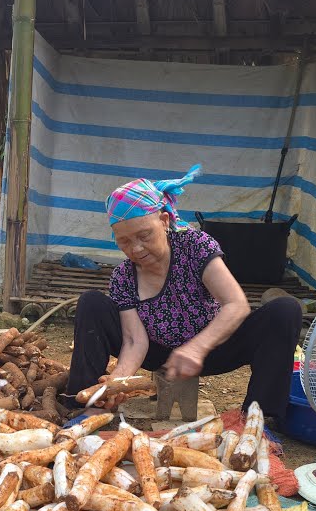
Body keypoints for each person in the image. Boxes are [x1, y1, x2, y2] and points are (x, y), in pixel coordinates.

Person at [65, 165, 302, 429]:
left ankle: (258, 419)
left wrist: (197, 347)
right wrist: (118, 382)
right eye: (124, 241)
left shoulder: (196, 246)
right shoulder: (123, 276)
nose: (136, 248)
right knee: (92, 303)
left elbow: (236, 305)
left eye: (144, 235)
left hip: (212, 348)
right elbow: (133, 340)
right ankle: (88, 408)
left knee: (284, 311)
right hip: (157, 352)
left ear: (164, 221)